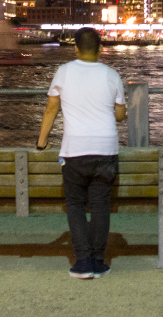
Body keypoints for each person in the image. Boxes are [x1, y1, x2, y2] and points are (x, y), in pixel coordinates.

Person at [35, 27, 126, 279]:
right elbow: (120, 115)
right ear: (100, 48)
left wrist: (41, 143)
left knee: (75, 205)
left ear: (75, 48)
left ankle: (82, 261)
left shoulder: (63, 73)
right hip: (105, 150)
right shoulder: (111, 75)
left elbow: (51, 109)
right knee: (100, 205)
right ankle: (98, 261)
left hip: (74, 151)